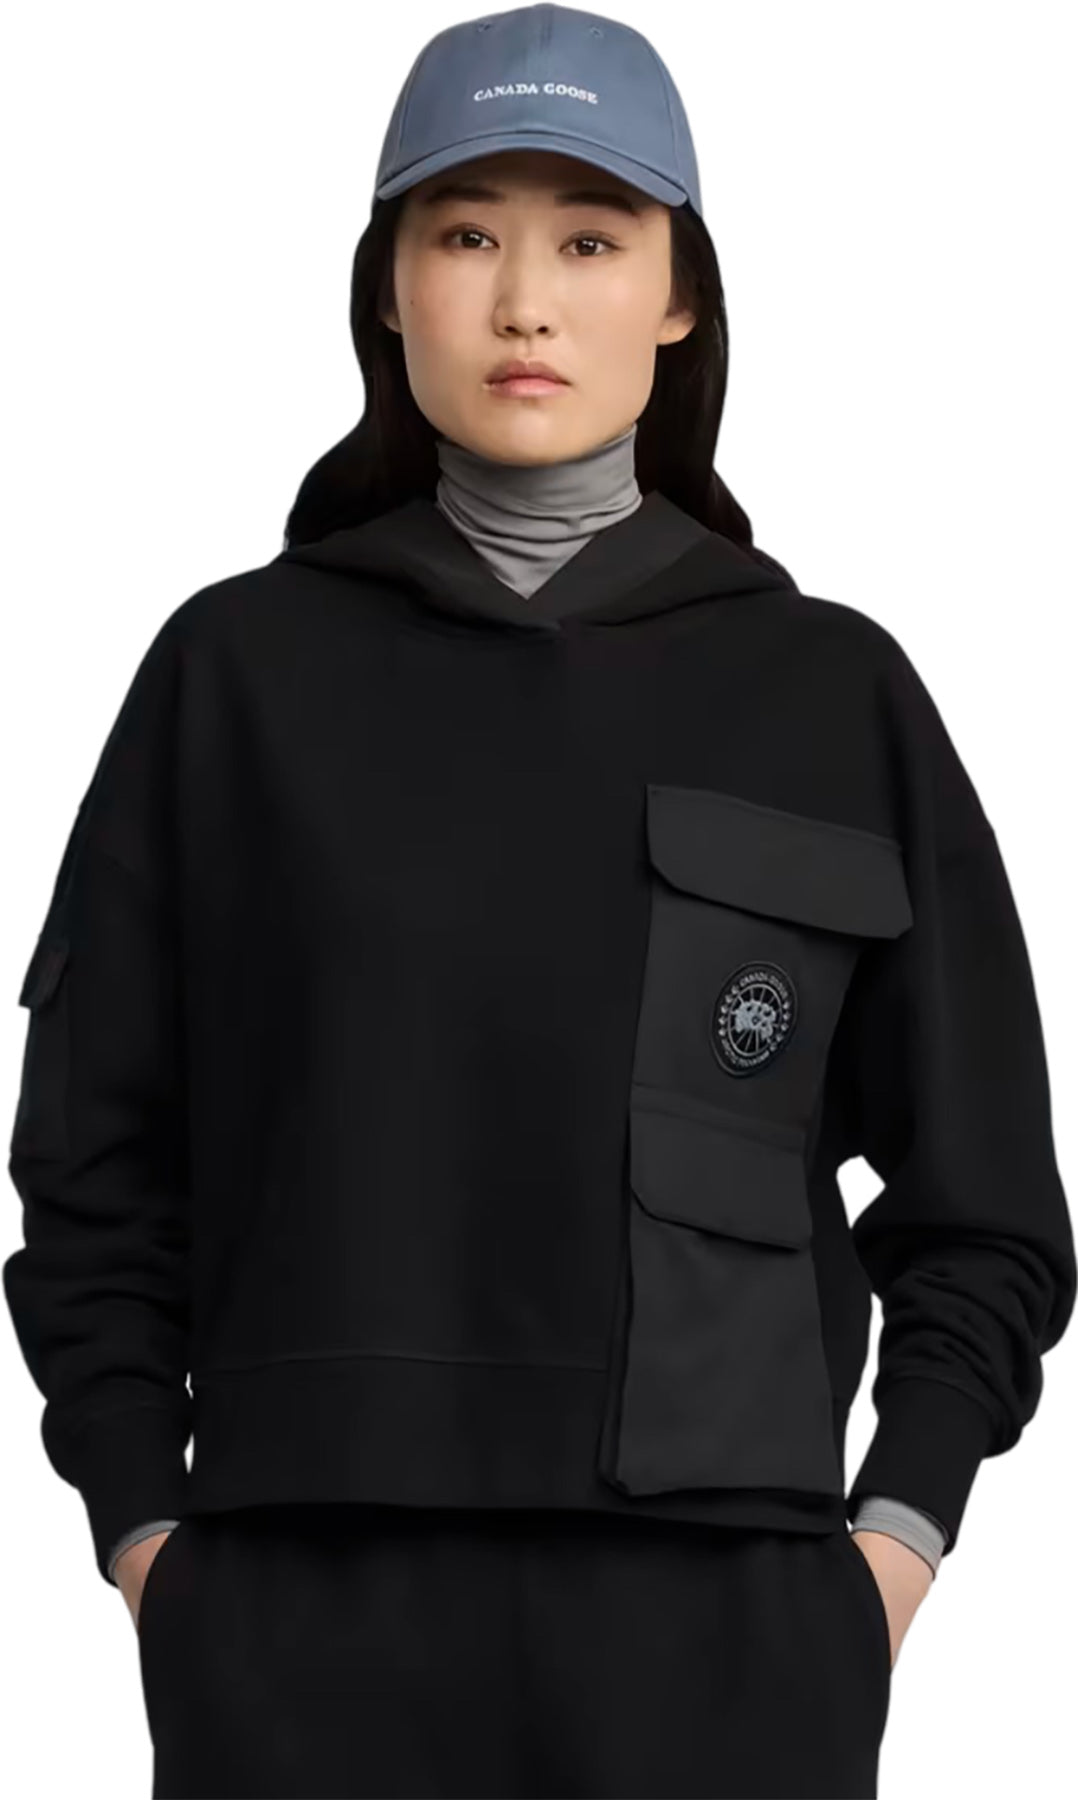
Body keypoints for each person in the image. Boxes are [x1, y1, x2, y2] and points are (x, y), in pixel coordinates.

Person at [5, 6, 1074, 1798]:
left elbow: (986, 1205)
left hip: (728, 1634)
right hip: (298, 1620)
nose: (522, 303)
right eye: (463, 233)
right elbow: (93, 1167)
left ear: (678, 296)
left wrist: (886, 1553)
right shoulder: (234, 677)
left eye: (589, 239)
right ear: (389, 286)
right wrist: (147, 1537)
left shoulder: (830, 696)